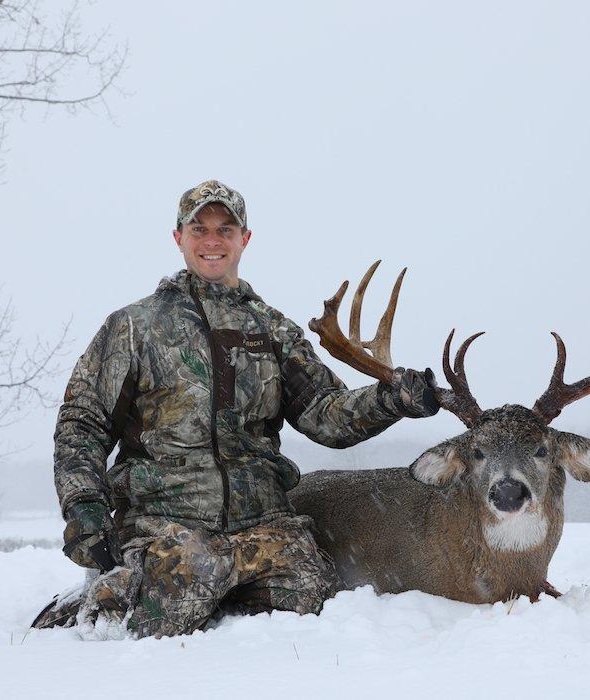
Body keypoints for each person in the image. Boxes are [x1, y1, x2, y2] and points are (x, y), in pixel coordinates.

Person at [37, 180, 439, 638]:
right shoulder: (133, 327)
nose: (212, 241)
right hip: (167, 527)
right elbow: (82, 422)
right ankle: (109, 592)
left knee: (313, 597)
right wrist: (84, 506)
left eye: (225, 229)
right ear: (178, 238)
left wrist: (393, 400)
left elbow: (326, 415)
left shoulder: (271, 330)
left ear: (244, 239)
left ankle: (218, 597)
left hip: (262, 528)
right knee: (186, 585)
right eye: (199, 229)